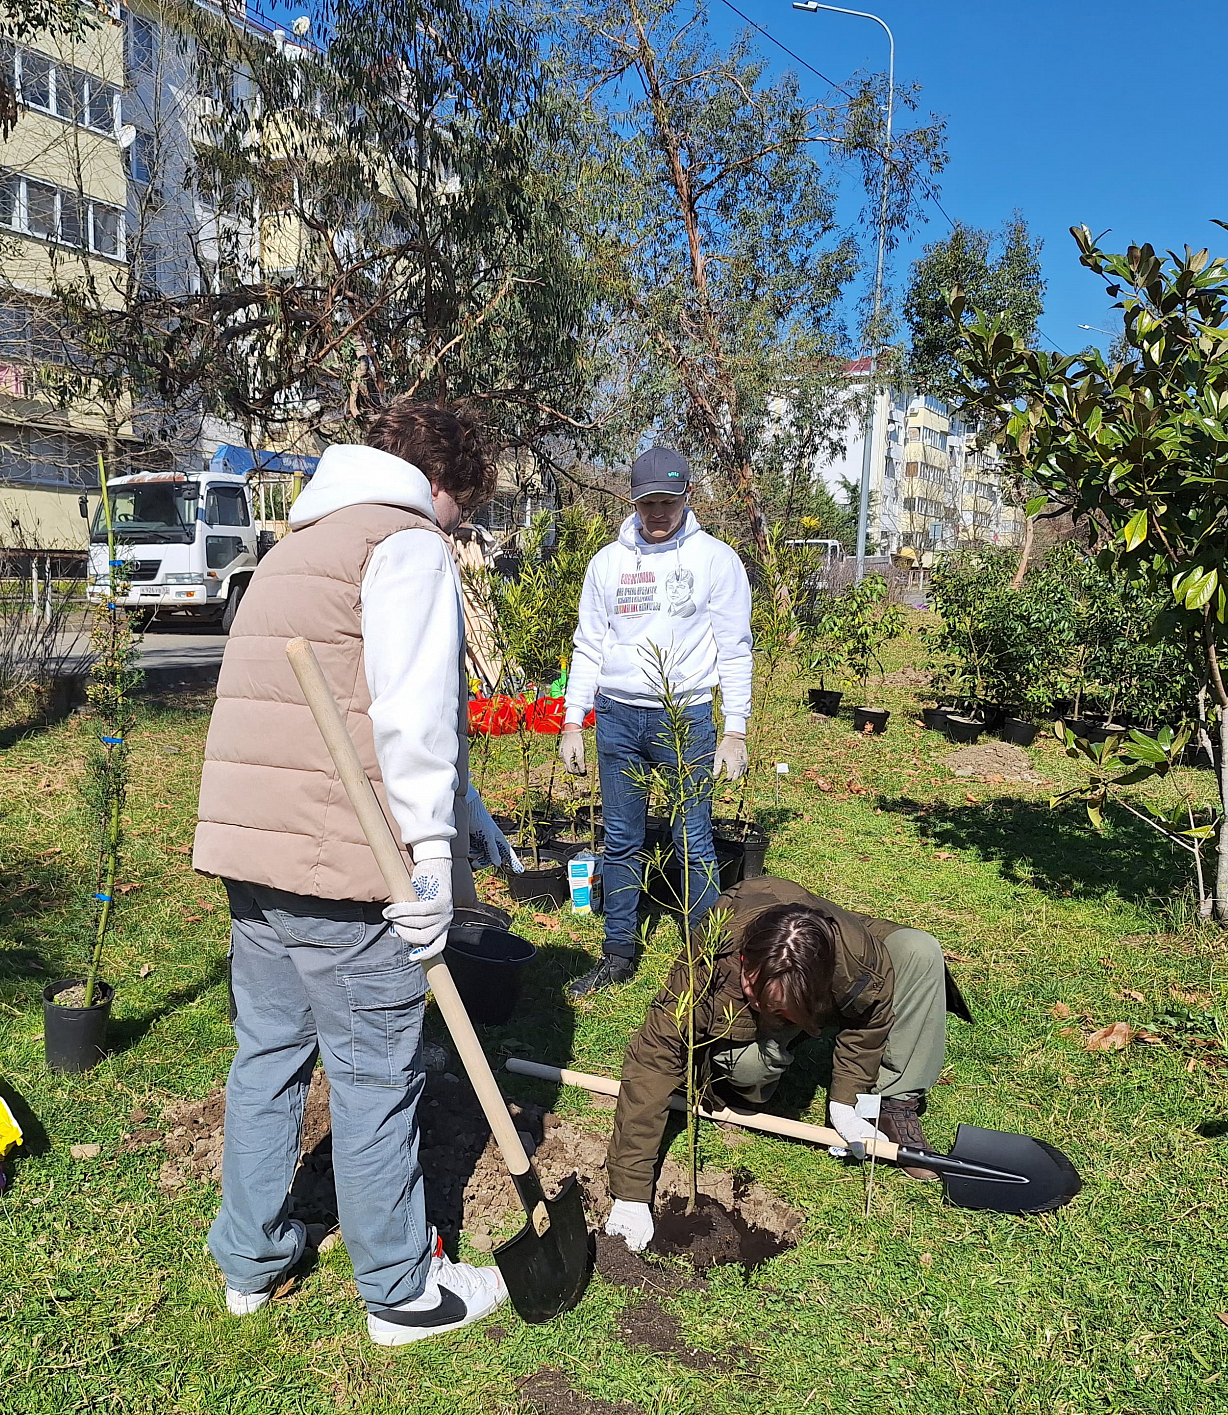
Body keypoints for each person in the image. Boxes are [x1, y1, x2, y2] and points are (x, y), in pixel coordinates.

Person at [191, 401, 510, 1347]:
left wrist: (465, 807)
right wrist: (431, 859)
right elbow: (411, 717)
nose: (456, 529)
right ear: (438, 484)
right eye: (462, 509)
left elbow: (329, 697)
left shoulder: (299, 546)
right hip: (343, 863)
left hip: (255, 854)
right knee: (375, 1075)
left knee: (269, 1058)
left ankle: (250, 1262)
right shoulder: (404, 543)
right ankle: (402, 1293)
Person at [600, 876, 971, 1251]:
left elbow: (869, 1016)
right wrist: (631, 1193)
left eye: (785, 1007)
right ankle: (738, 1067)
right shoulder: (711, 964)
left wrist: (847, 1100)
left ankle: (893, 1103)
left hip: (834, 960)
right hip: (737, 1004)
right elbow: (654, 1060)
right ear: (746, 964)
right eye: (762, 997)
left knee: (918, 950)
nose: (769, 1008)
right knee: (752, 1072)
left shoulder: (854, 959)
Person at [559, 445, 752, 997]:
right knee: (619, 838)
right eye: (648, 504)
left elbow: (735, 647)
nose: (658, 513)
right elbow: (588, 643)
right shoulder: (608, 564)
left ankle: (708, 959)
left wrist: (734, 729)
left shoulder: (716, 561)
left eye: (668, 501)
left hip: (683, 715)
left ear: (687, 497)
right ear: (633, 502)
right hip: (617, 717)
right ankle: (618, 950)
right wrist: (574, 720)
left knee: (692, 837)